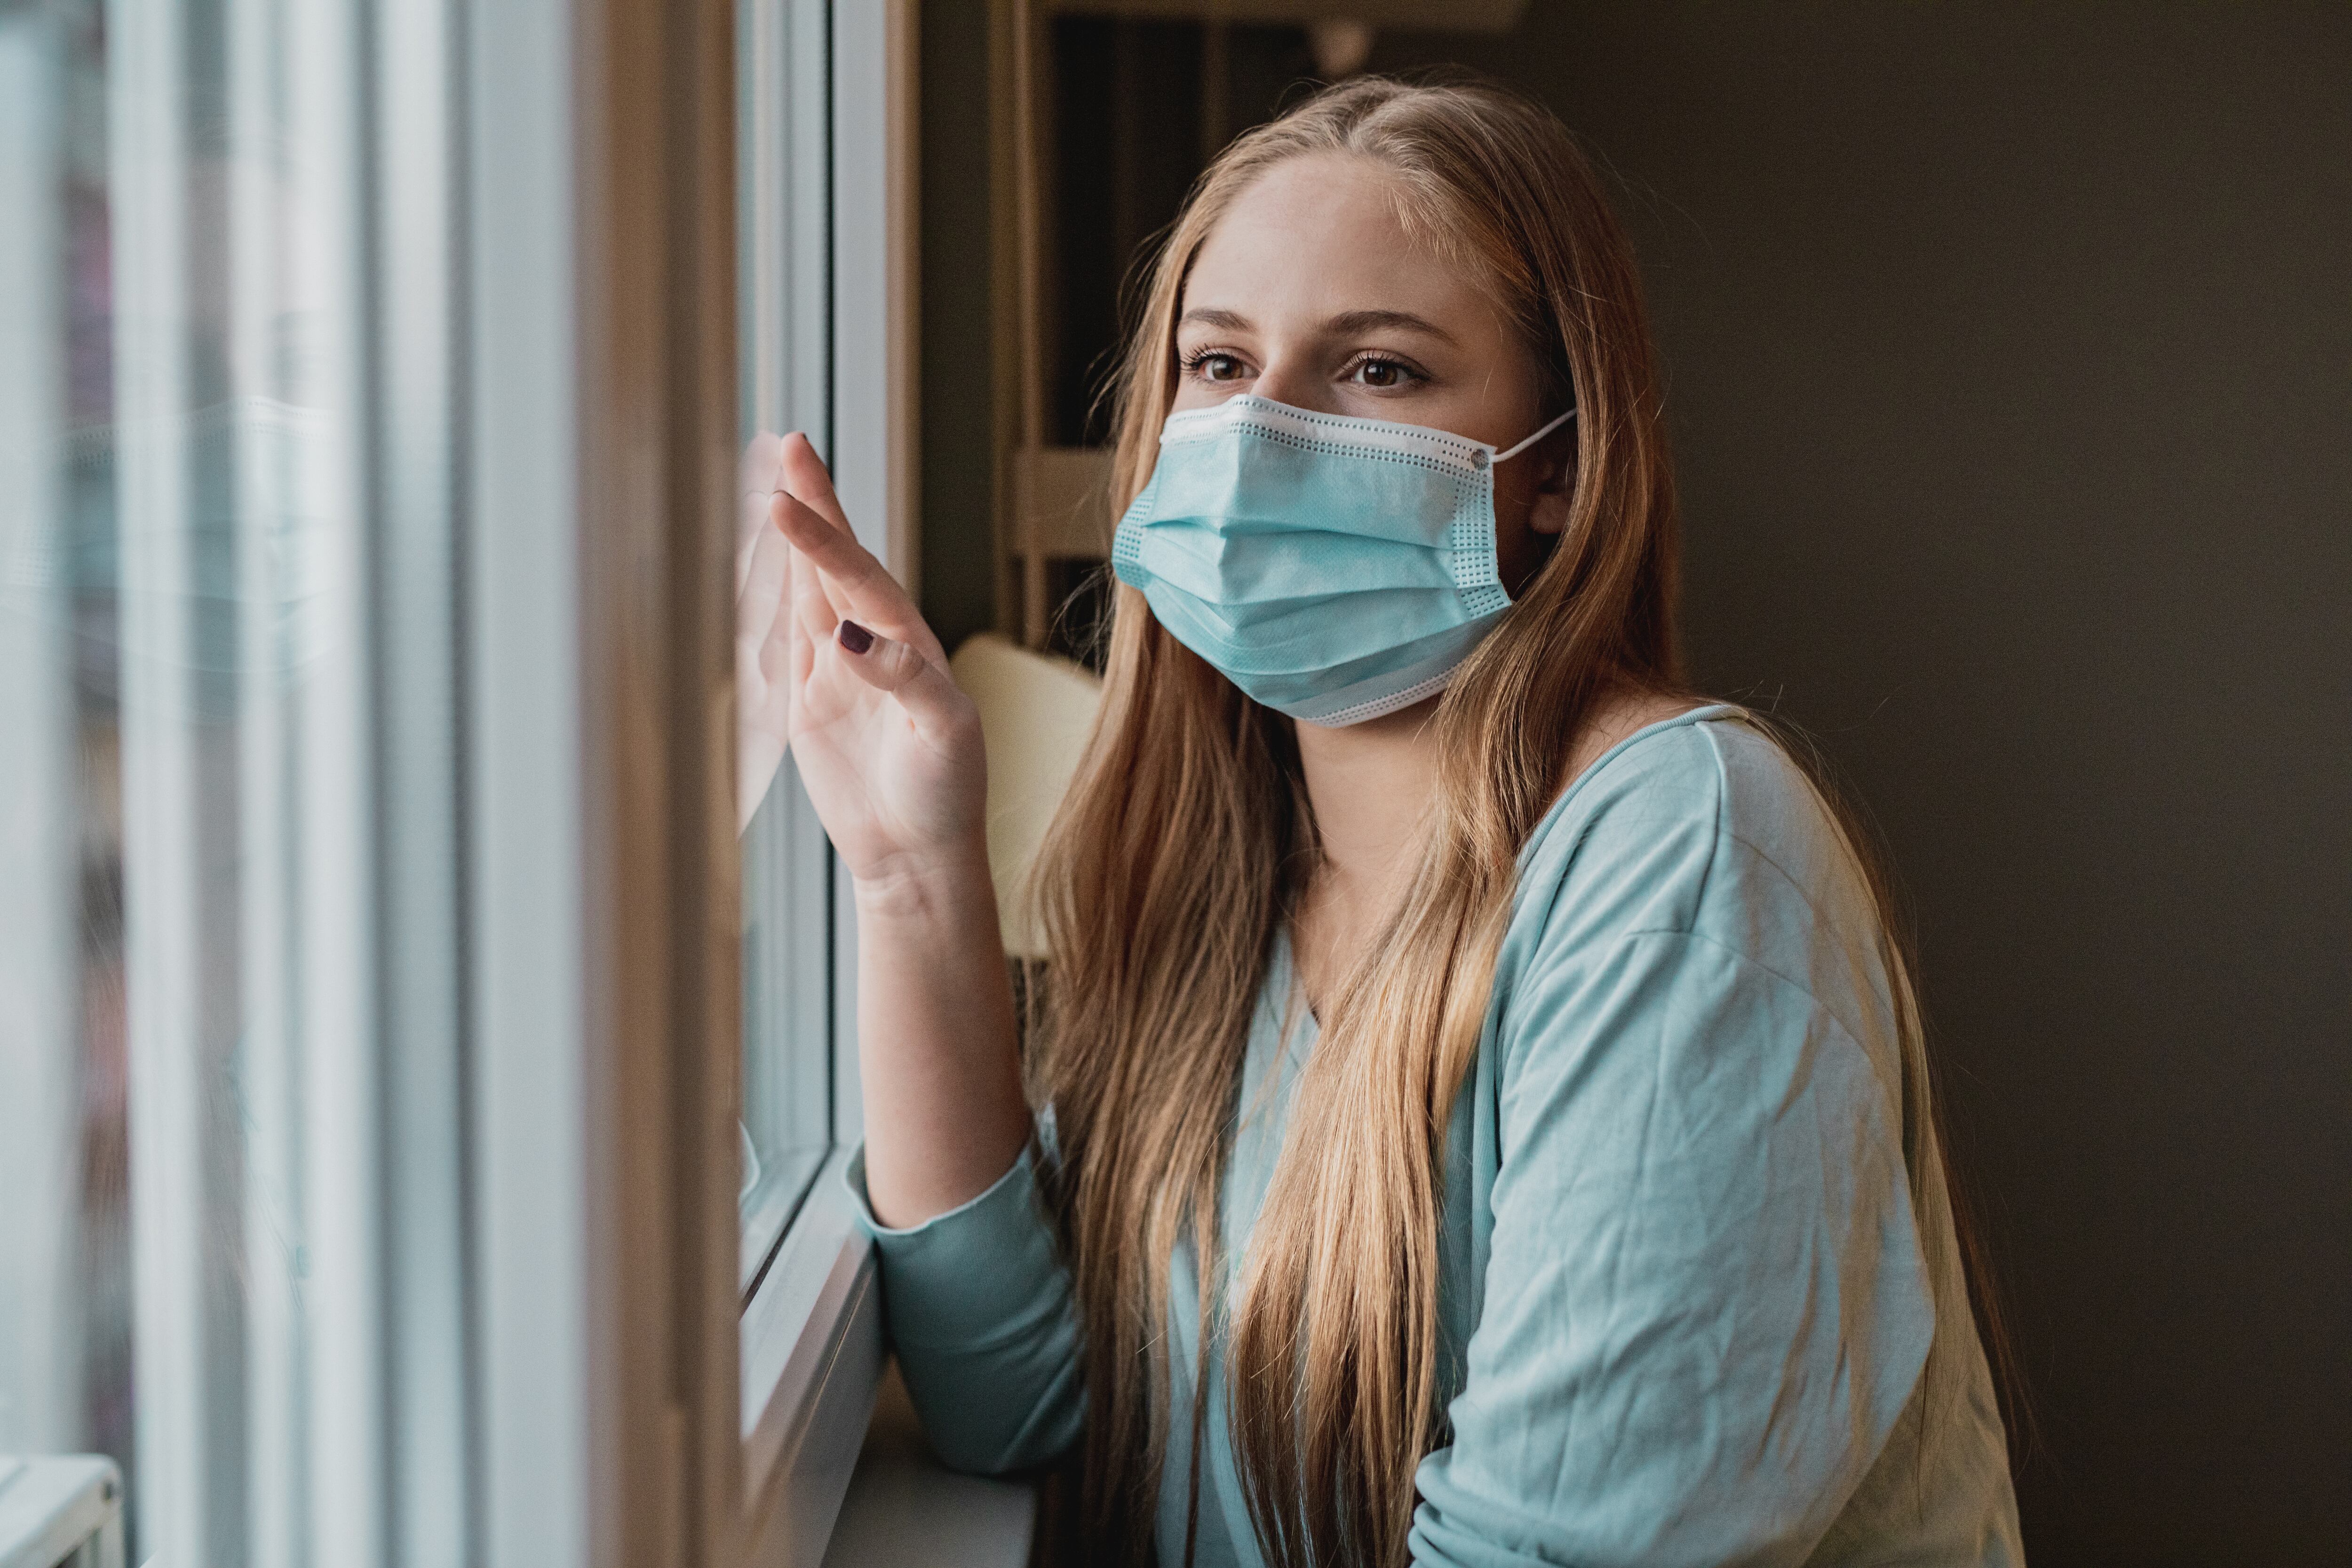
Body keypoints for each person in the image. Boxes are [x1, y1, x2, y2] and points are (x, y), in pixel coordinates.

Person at [737, 75, 2024, 1568]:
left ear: (1554, 468)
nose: (1259, 430)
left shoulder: (1683, 856)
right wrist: (910, 874)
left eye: (1379, 373)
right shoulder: (1233, 887)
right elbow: (1017, 1409)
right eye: (1219, 363)